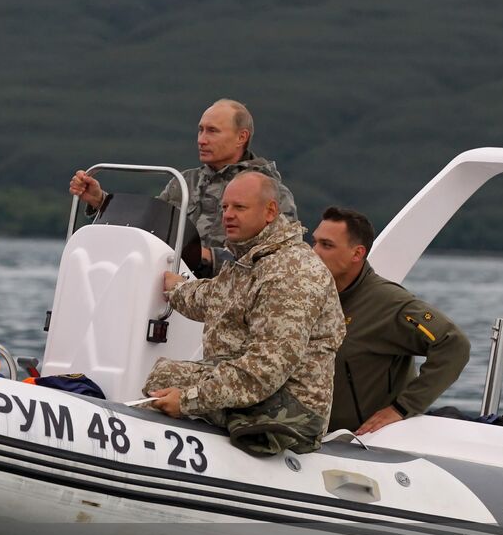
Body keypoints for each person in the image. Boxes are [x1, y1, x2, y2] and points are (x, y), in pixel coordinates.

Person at [143, 172, 345, 455]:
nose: (228, 215)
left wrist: (188, 401)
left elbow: (266, 368)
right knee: (164, 376)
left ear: (270, 211)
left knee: (167, 382)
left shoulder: (291, 272)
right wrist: (176, 290)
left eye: (239, 207)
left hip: (293, 408)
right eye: (225, 207)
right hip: (261, 388)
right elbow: (213, 298)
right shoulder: (251, 259)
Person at [69, 99, 297, 271]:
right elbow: (147, 228)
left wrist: (207, 257)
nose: (201, 139)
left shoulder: (271, 192)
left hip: (231, 301)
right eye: (200, 130)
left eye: (212, 131)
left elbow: (281, 258)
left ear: (241, 137)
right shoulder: (184, 183)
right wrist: (100, 201)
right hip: (175, 295)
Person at [311, 206, 471, 435]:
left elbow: (453, 344)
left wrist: (402, 408)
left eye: (326, 245)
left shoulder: (389, 303)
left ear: (357, 254)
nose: (314, 252)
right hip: (307, 439)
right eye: (314, 242)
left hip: (361, 445)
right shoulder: (304, 296)